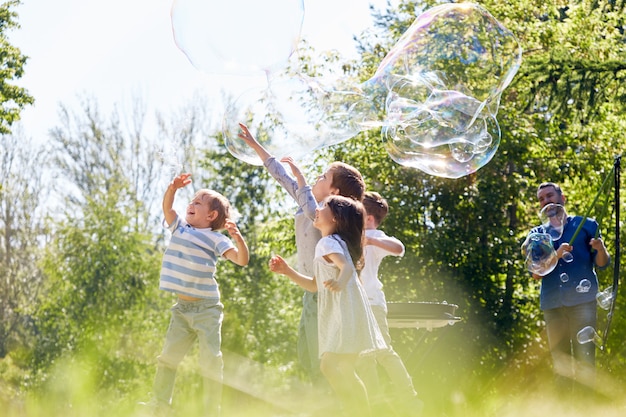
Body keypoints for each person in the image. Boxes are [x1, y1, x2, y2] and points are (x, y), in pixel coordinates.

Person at [237, 123, 365, 387]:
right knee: (309, 356)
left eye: (323, 177)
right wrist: (255, 145)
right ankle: (330, 402)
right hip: (313, 291)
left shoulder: (323, 216)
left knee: (324, 361)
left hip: (324, 296)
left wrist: (303, 179)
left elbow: (305, 199)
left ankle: (338, 404)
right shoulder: (316, 210)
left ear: (334, 194)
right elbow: (281, 175)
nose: (315, 178)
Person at [269, 195, 387, 416]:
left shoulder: (328, 242)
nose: (318, 208)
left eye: (324, 206)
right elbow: (314, 286)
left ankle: (353, 410)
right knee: (345, 369)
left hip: (343, 313)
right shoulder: (332, 244)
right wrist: (288, 271)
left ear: (336, 218)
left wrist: (340, 282)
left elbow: (347, 269)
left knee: (329, 366)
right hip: (349, 312)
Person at [147, 173, 249, 416]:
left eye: (197, 203)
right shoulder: (180, 227)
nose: (190, 205)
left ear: (211, 216)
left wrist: (238, 238)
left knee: (210, 361)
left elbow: (241, 260)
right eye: (191, 201)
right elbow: (167, 207)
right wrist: (172, 187)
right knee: (167, 358)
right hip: (182, 309)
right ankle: (160, 404)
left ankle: (211, 410)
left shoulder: (216, 238)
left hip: (207, 309)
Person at [528, 182, 610, 395]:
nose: (546, 201)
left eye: (549, 195)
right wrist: (556, 255)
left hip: (583, 302)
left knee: (586, 359)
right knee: (561, 363)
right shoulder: (537, 234)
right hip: (553, 304)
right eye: (541, 199)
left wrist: (600, 248)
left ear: (562, 198)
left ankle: (586, 408)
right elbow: (536, 273)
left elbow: (602, 263)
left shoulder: (587, 225)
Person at [357, 191, 423, 415]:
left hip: (373, 303)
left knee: (383, 352)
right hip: (355, 304)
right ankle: (372, 405)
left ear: (369, 218)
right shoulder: (351, 234)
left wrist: (371, 239)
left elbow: (399, 248)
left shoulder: (375, 235)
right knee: (364, 358)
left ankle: (410, 398)